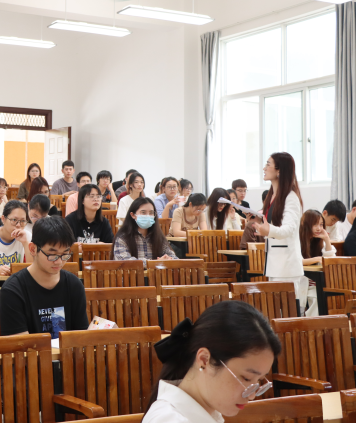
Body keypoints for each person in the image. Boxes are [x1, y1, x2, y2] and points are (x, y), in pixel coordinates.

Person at [142, 301, 280, 423]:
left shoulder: (207, 410)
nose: (252, 396)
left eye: (259, 381)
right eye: (246, 378)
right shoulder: (170, 420)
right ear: (204, 359)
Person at [0, 216, 87, 337]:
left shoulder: (74, 285)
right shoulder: (13, 290)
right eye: (52, 254)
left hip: (69, 350)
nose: (59, 261)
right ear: (33, 249)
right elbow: (21, 344)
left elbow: (81, 337)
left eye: (65, 254)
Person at [252, 152, 306, 308]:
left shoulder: (291, 197)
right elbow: (274, 225)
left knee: (288, 313)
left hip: (287, 266)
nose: (264, 168)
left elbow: (288, 229)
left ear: (279, 171)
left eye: (268, 164)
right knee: (275, 312)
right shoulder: (272, 196)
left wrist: (268, 230)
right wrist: (261, 226)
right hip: (275, 265)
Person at [114, 197, 177, 263]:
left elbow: (172, 256)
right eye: (143, 212)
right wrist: (155, 263)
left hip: (156, 270)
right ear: (133, 215)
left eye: (151, 213)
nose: (148, 216)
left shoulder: (158, 236)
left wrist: (169, 259)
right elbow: (124, 261)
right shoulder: (123, 237)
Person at [298, 209, 336, 316]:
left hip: (318, 282)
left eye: (321, 224)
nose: (319, 228)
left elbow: (331, 261)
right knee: (317, 297)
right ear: (305, 224)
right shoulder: (297, 239)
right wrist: (318, 259)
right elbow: (296, 261)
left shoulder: (319, 240)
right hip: (302, 282)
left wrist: (326, 239)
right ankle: (313, 323)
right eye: (315, 224)